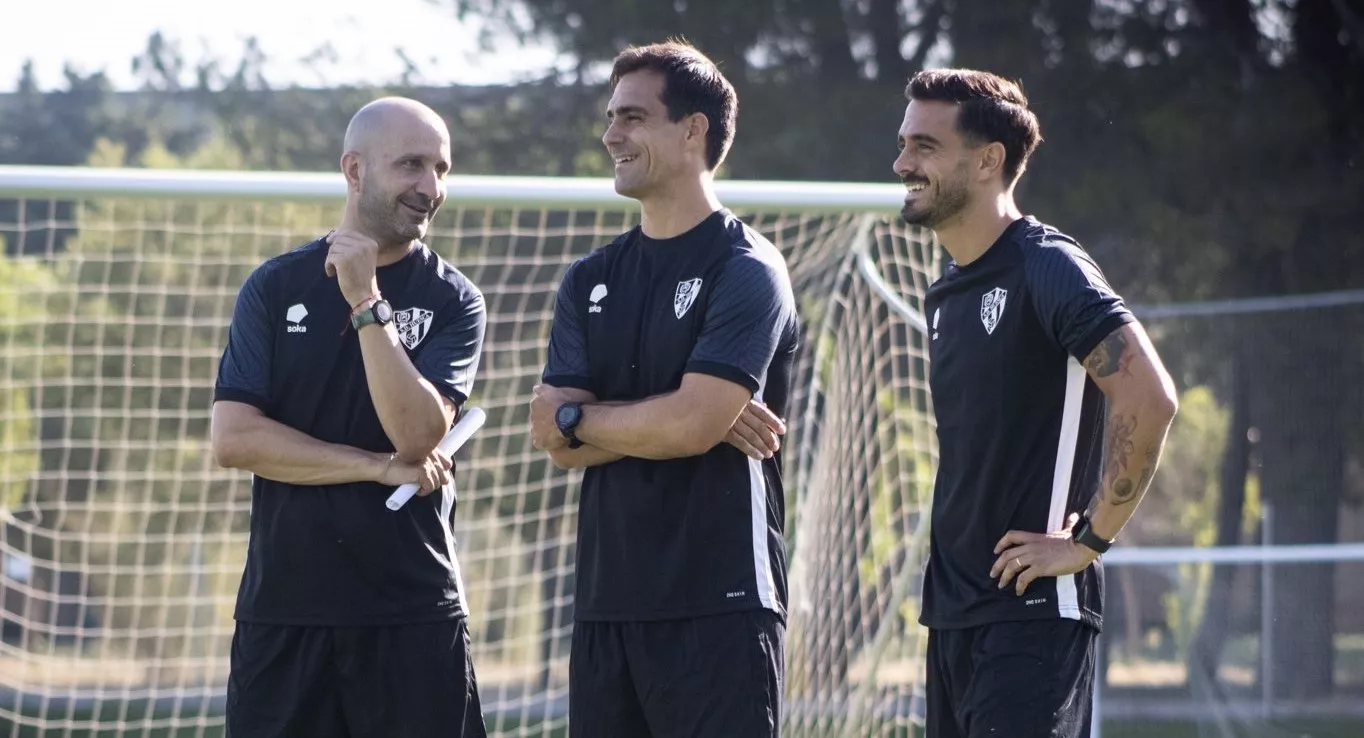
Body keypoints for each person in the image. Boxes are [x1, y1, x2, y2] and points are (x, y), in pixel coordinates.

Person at [894, 68, 1180, 738]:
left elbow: (1150, 394)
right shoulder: (947, 288)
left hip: (1031, 616)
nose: (902, 162)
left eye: (925, 146)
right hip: (954, 618)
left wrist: (1088, 543)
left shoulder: (1048, 265)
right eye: (904, 143)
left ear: (989, 159)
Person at [528, 40, 797, 738]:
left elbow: (687, 427)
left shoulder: (747, 269)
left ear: (692, 131)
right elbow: (550, 436)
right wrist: (660, 417)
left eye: (633, 118)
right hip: (606, 607)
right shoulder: (589, 279)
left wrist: (584, 416)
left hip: (721, 604)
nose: (611, 135)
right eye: (611, 117)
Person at [210, 96, 488, 738]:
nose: (431, 187)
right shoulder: (274, 287)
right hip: (285, 616)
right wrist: (373, 468)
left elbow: (419, 437)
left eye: (442, 169)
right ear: (354, 170)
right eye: (412, 165)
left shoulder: (454, 300)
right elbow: (235, 439)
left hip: (413, 615)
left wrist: (366, 300)